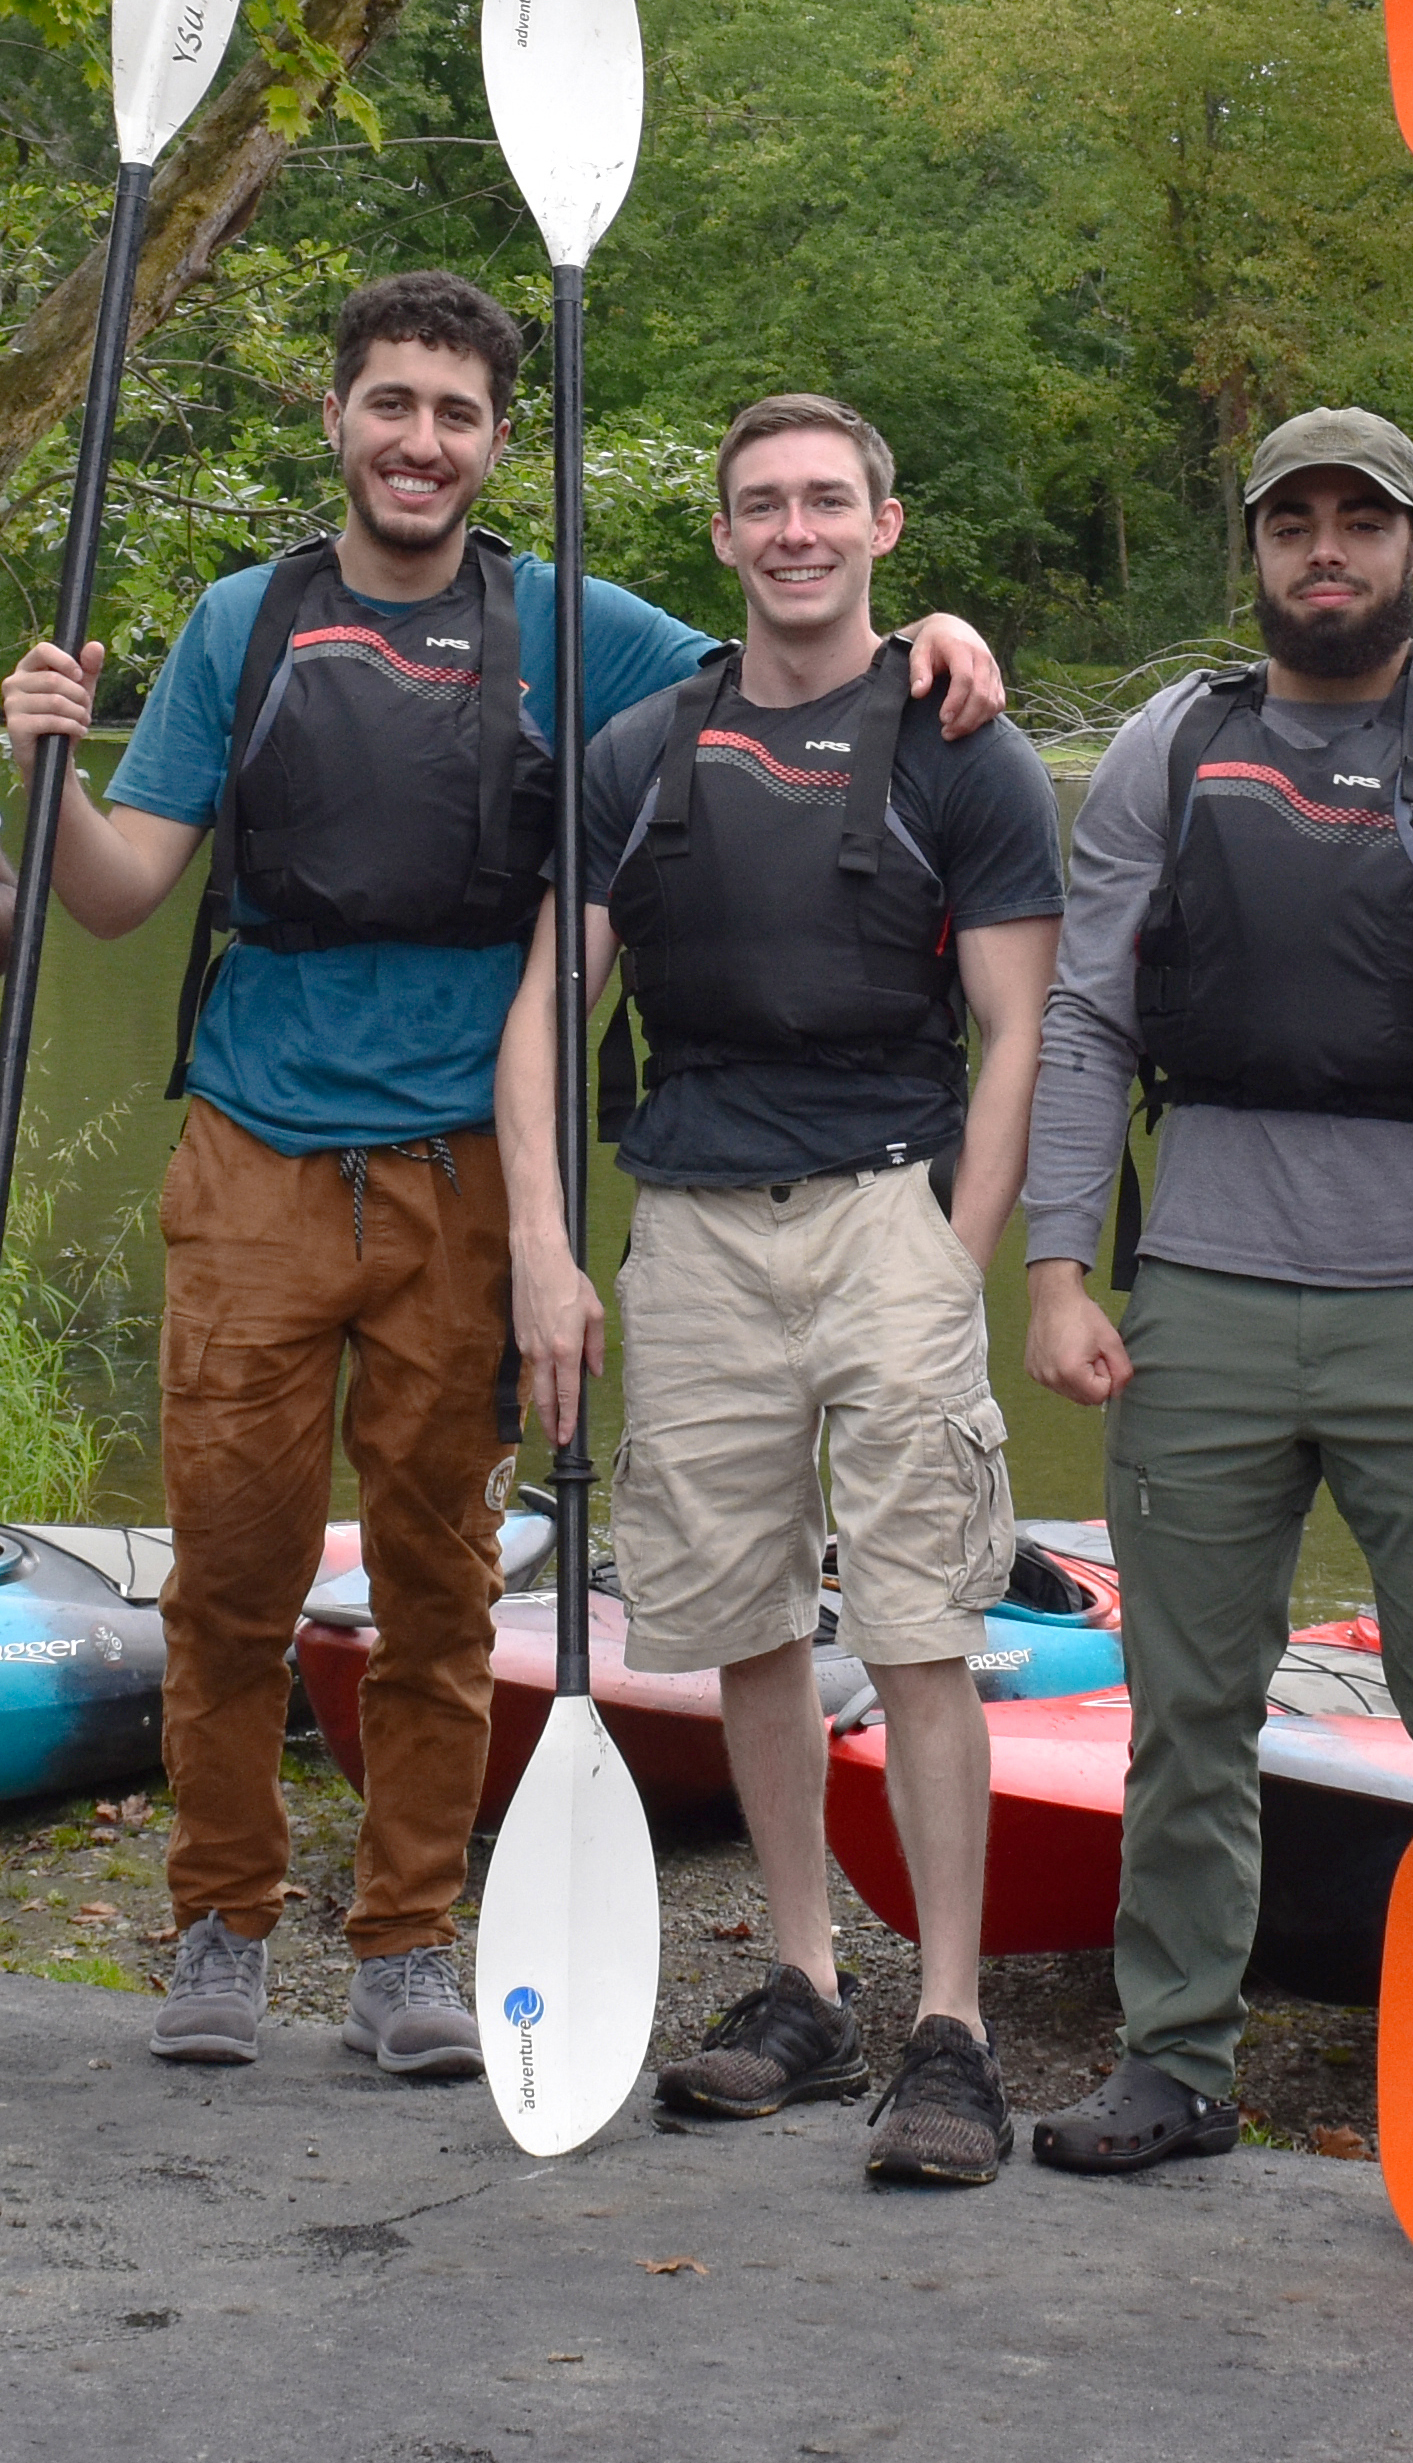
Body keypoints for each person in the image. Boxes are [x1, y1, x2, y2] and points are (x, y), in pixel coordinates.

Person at [0, 275, 1002, 2078]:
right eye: (390, 404)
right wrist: (46, 765)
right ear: (336, 419)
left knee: (440, 1573)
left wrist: (940, 632)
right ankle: (220, 1918)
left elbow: (791, 650)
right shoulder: (242, 624)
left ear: (494, 442)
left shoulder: (573, 629)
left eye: (456, 414)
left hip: (467, 1169)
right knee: (226, 1570)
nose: (420, 441)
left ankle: (402, 1945)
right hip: (253, 1154)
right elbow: (112, 894)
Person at [1021, 405, 1413, 2240]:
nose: (1324, 552)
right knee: (1184, 1705)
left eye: (1358, 525)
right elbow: (1083, 1023)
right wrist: (1061, 1269)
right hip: (1204, 1294)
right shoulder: (1175, 741)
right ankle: (1176, 2059)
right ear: (1257, 549)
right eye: (1291, 522)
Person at [501, 391, 1063, 2188]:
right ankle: (807, 1986)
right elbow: (544, 1015)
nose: (796, 530)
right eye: (764, 507)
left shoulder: (964, 749)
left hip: (887, 1208)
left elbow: (1021, 1032)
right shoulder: (644, 751)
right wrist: (544, 1247)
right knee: (744, 1616)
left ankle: (952, 2026)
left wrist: (951, 1266)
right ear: (727, 537)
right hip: (692, 1226)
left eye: (830, 502)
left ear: (887, 530)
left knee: (915, 1624)